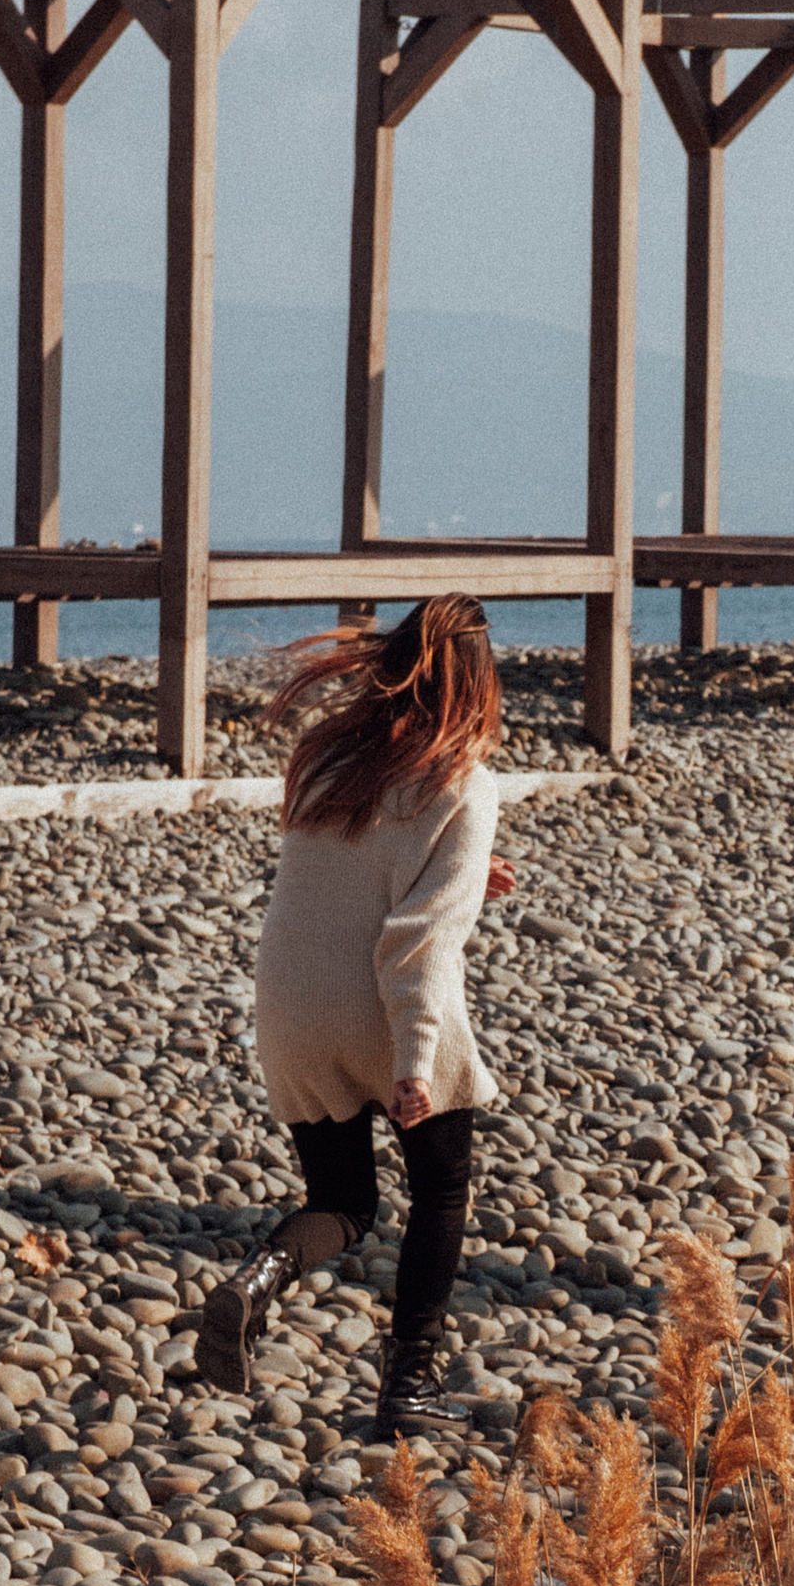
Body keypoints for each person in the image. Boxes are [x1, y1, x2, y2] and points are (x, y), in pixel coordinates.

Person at [194, 595, 514, 1441]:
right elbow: (416, 939)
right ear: (481, 683)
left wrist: (468, 872)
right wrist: (416, 1058)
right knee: (442, 1186)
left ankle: (256, 1281)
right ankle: (409, 1385)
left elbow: (349, 873)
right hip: (382, 1007)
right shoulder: (465, 782)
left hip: (289, 1003)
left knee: (342, 1197)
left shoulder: (328, 756)